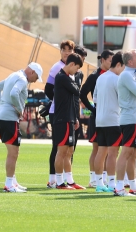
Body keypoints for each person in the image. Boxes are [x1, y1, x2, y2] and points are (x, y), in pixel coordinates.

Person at [0, 62, 43, 192]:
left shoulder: (14, 75)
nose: (35, 80)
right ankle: (9, 184)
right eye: (36, 77)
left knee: (14, 151)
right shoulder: (22, 79)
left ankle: (12, 182)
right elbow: (14, 93)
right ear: (32, 72)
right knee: (13, 152)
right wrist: (19, 109)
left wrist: (3, 104)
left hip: (2, 116)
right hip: (9, 118)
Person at [114, 50, 136, 197]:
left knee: (135, 153)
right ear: (130, 62)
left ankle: (134, 186)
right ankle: (119, 187)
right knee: (127, 152)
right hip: (130, 119)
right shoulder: (126, 75)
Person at [80, 49, 113, 188]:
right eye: (110, 61)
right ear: (103, 60)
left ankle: (103, 178)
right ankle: (93, 178)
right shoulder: (95, 75)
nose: (112, 64)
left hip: (109, 116)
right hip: (98, 116)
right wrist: (93, 108)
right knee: (97, 148)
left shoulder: (113, 75)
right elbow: (82, 94)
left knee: (107, 149)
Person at [93, 52, 125, 193]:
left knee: (101, 152)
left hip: (100, 119)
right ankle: (112, 183)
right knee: (113, 153)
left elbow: (94, 98)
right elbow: (123, 100)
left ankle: (99, 183)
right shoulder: (117, 79)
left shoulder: (100, 77)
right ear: (119, 65)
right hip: (113, 120)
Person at [52, 53, 84, 190]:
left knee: (70, 150)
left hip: (69, 118)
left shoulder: (68, 78)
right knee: (62, 150)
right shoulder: (61, 77)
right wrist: (76, 80)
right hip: (62, 119)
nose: (77, 71)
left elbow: (73, 97)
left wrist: (75, 117)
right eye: (76, 68)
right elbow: (77, 91)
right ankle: (59, 182)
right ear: (71, 64)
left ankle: (70, 181)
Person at [46, 39, 74, 188]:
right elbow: (48, 89)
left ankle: (64, 179)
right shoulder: (57, 68)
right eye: (64, 50)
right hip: (57, 112)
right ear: (60, 51)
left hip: (66, 113)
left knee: (67, 148)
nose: (66, 53)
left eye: (69, 51)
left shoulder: (71, 68)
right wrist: (58, 102)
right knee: (57, 146)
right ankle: (53, 179)